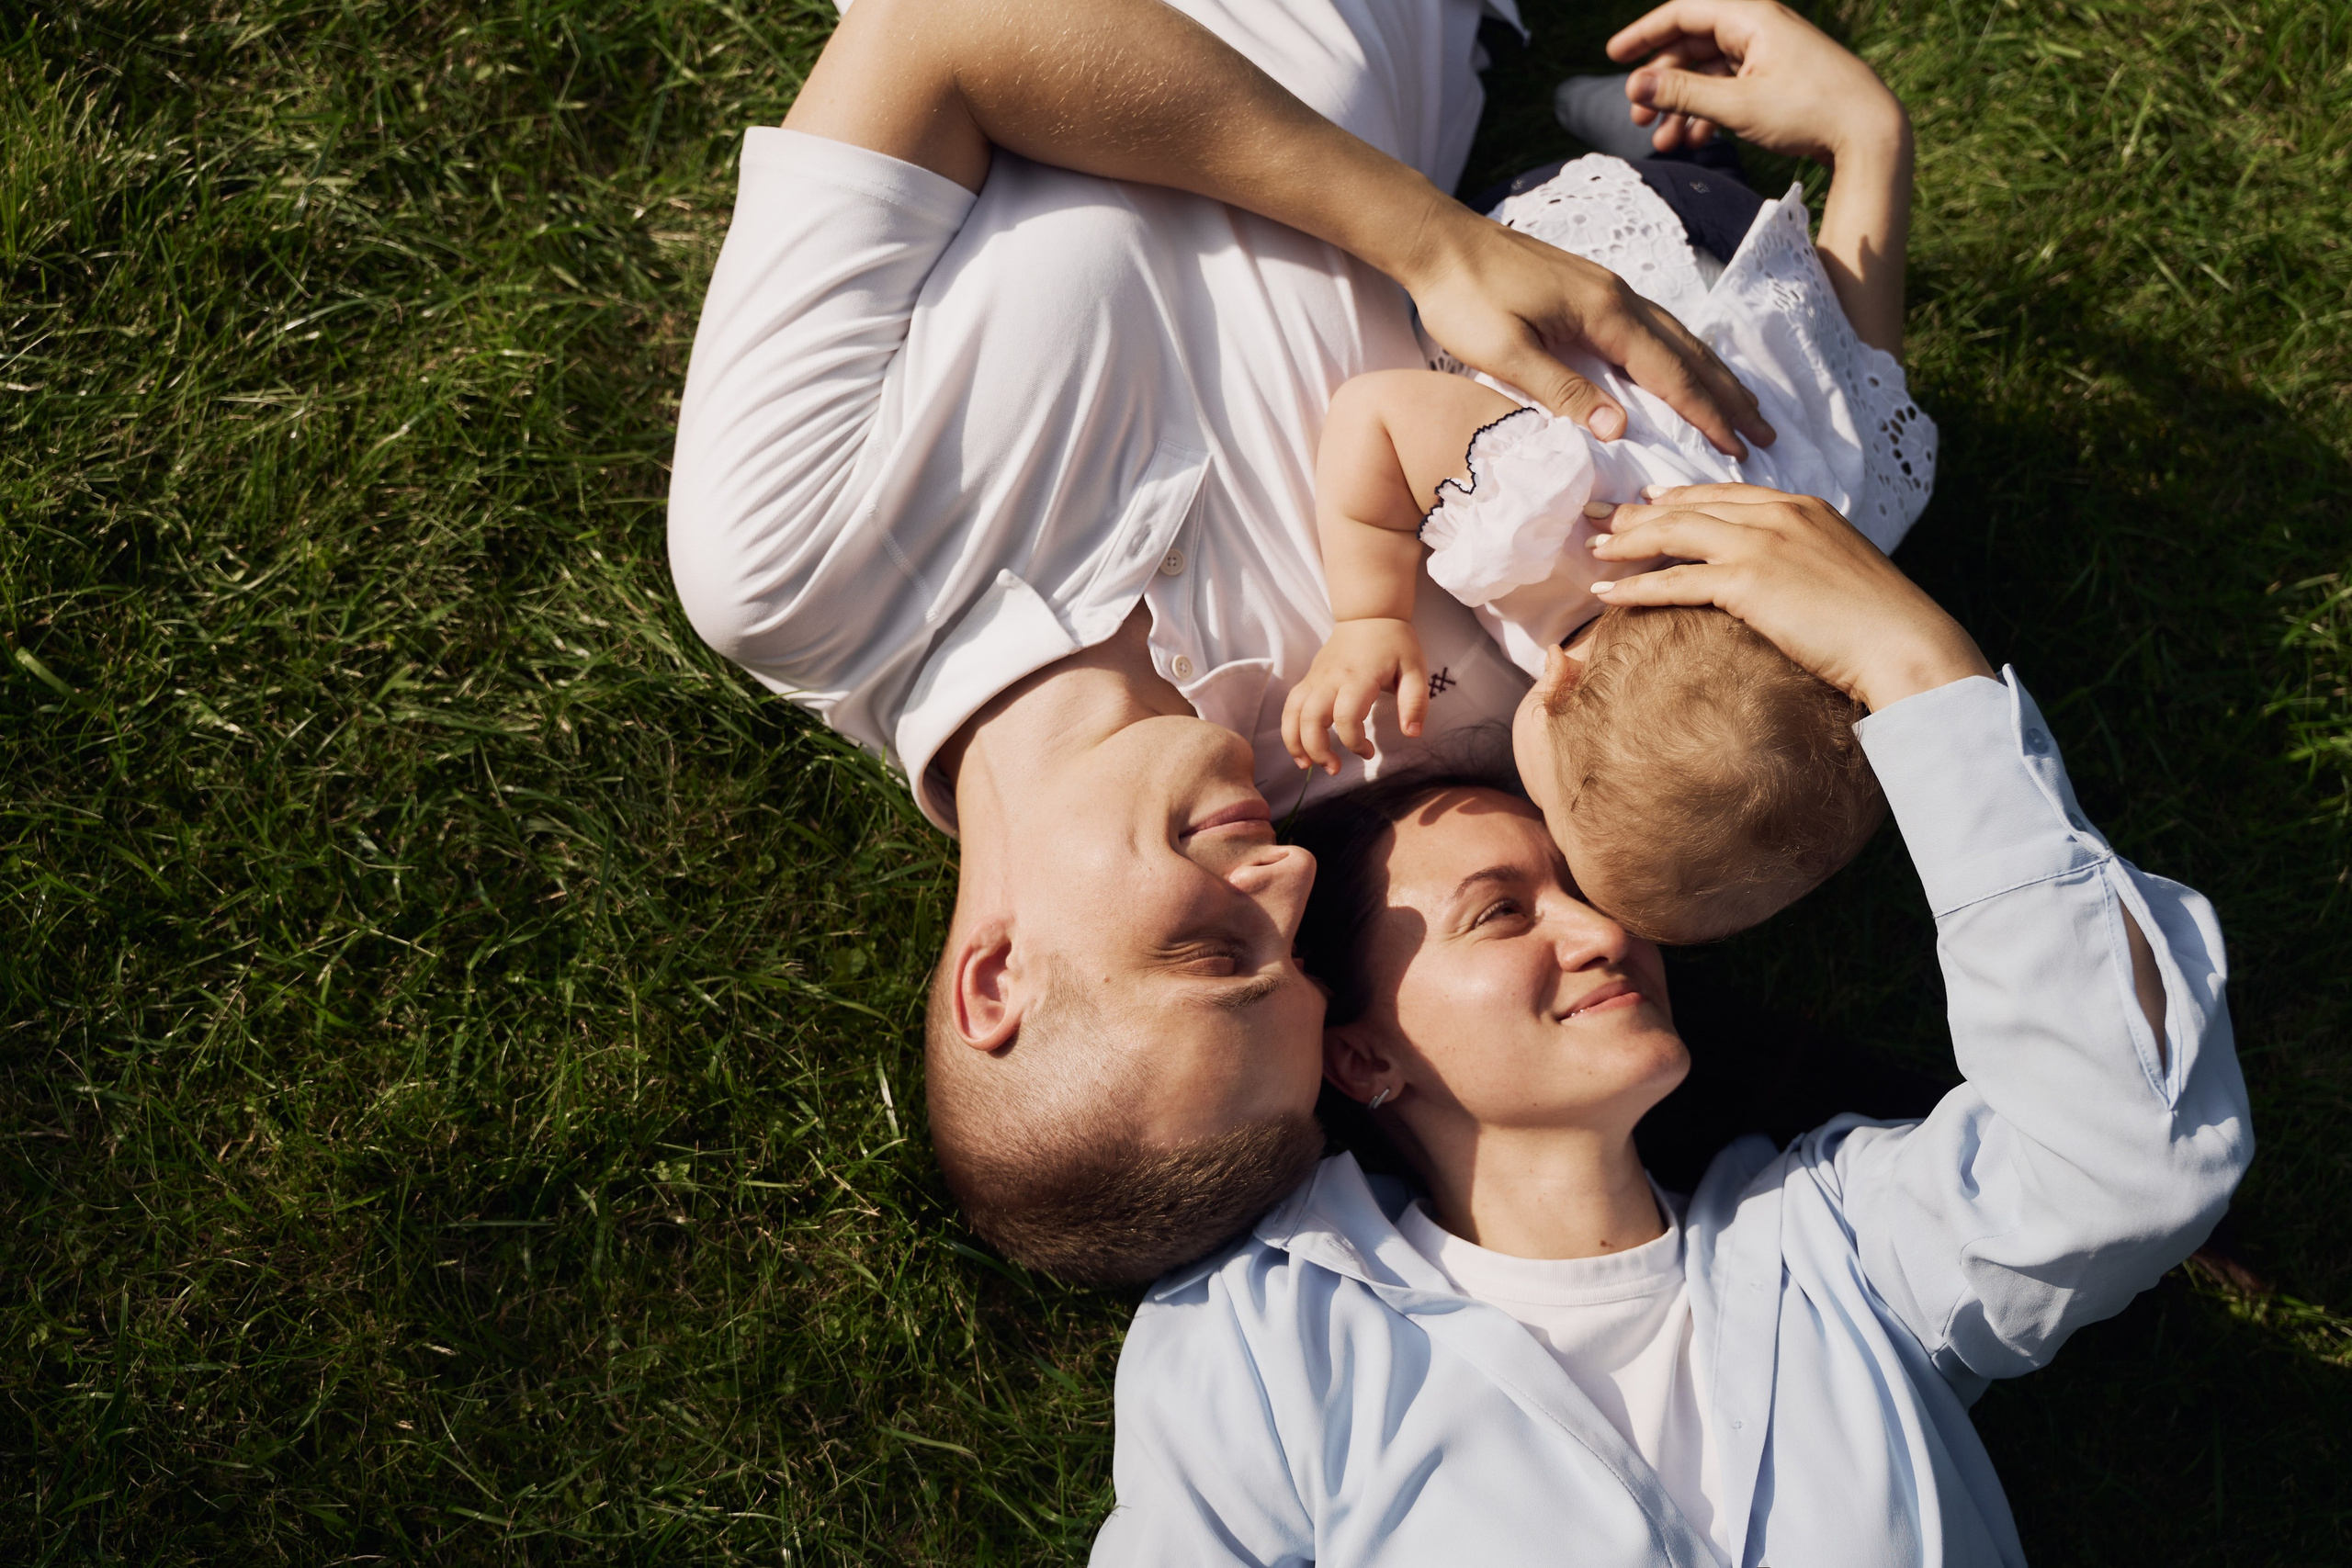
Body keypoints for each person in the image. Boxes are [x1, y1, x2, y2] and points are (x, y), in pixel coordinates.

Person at [666, 0, 1779, 1284]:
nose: (1292, 887)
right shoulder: (1408, 711)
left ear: (996, 979)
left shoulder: (790, 569)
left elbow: (940, 38)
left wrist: (1435, 248)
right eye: (1295, 960)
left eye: (1206, 951)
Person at [1090, 482, 2255, 1565]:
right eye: (1498, 913)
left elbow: (2125, 1149)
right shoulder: (1265, 1338)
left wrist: (1918, 668)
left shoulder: (1837, 1251)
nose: (1602, 936)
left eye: (1592, 896)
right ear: (1362, 1055)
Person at [1283, 2, 1928, 942]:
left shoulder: (1829, 538)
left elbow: (1862, 379)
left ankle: (1688, 140)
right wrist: (1368, 615)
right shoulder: (1550, 519)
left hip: (1744, 294)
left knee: (1841, 395)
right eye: (1554, 814)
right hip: (1598, 247)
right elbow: (1374, 418)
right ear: (1558, 688)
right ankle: (1641, 139)